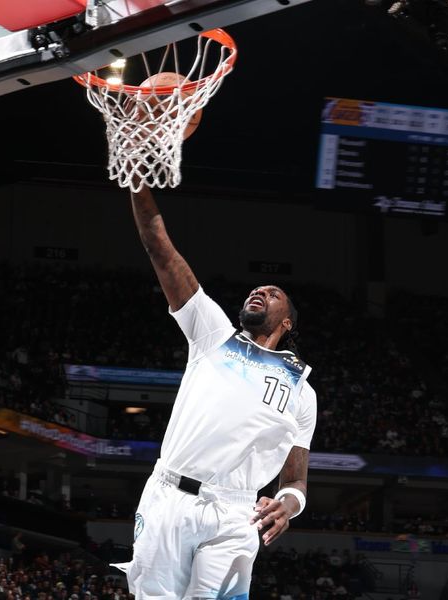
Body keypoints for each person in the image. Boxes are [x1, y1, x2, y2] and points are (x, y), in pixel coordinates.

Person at [113, 186, 318, 598]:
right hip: (170, 497)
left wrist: (288, 506)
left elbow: (295, 482)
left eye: (273, 293)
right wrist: (137, 177)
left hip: (235, 512)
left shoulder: (302, 390)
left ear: (288, 323)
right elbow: (159, 248)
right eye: (255, 289)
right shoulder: (214, 335)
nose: (259, 291)